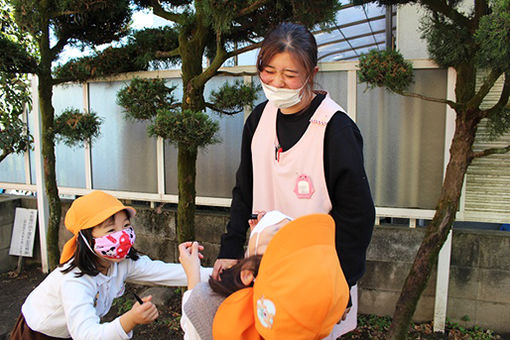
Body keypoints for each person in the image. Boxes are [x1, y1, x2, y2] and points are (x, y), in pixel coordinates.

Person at [213, 22, 375, 337]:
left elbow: (357, 215)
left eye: (290, 75)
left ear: (311, 73)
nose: (277, 83)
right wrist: (230, 248)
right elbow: (244, 188)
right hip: (264, 268)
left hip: (317, 277)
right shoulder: (259, 119)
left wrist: (342, 281)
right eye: (268, 71)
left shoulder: (335, 129)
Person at [10, 190, 211, 340]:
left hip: (75, 330)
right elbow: (87, 335)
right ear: (86, 238)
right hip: (38, 333)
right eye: (110, 230)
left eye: (125, 226)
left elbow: (169, 273)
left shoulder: (122, 263)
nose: (122, 236)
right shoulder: (75, 280)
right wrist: (129, 320)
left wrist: (230, 272)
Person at [180, 213, 350, 340]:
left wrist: (192, 274)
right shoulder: (310, 319)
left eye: (278, 232)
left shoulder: (210, 303)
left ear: (247, 273)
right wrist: (257, 242)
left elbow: (194, 324)